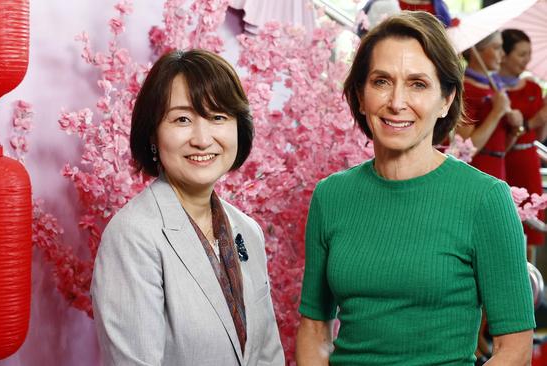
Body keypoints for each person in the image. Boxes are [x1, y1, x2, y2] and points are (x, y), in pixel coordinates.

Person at [296, 12, 534, 365]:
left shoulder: (485, 199)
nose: (396, 101)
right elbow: (314, 328)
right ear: (360, 96)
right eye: (381, 81)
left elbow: (514, 349)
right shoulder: (330, 196)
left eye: (418, 84)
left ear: (446, 100)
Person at [91, 49, 284, 366]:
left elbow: (267, 355)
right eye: (182, 119)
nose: (202, 138)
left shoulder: (247, 232)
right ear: (153, 133)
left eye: (218, 117)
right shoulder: (133, 237)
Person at [499, 28, 547, 249]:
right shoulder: (494, 90)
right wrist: (530, 123)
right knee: (503, 227)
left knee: (531, 228)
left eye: (529, 53)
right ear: (504, 55)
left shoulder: (534, 88)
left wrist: (543, 119)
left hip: (529, 161)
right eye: (520, 54)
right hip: (505, 162)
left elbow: (540, 136)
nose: (526, 60)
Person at [456, 31, 524, 180]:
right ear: (476, 51)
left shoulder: (496, 88)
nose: (503, 54)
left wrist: (515, 128)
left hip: (497, 167)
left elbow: (502, 148)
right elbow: (466, 149)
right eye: (497, 47)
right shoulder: (465, 89)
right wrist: (497, 112)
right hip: (476, 171)